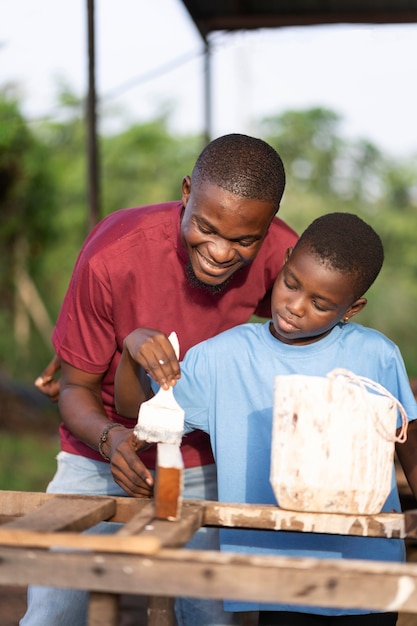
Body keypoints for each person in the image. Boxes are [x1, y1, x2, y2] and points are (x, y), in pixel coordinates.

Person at [22, 133, 298, 626]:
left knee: (208, 614)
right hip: (99, 454)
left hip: (204, 456)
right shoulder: (115, 253)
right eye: (207, 228)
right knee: (52, 613)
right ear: (187, 191)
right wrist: (110, 440)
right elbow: (75, 389)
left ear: (269, 222)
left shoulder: (283, 254)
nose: (219, 252)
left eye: (243, 240)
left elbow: (316, 326)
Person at [115, 212, 417, 626]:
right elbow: (137, 412)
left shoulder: (376, 356)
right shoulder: (224, 358)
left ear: (353, 308)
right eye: (291, 284)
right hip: (277, 574)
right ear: (286, 261)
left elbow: (409, 443)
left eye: (320, 303)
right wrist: (133, 351)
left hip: (366, 571)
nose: (294, 306)